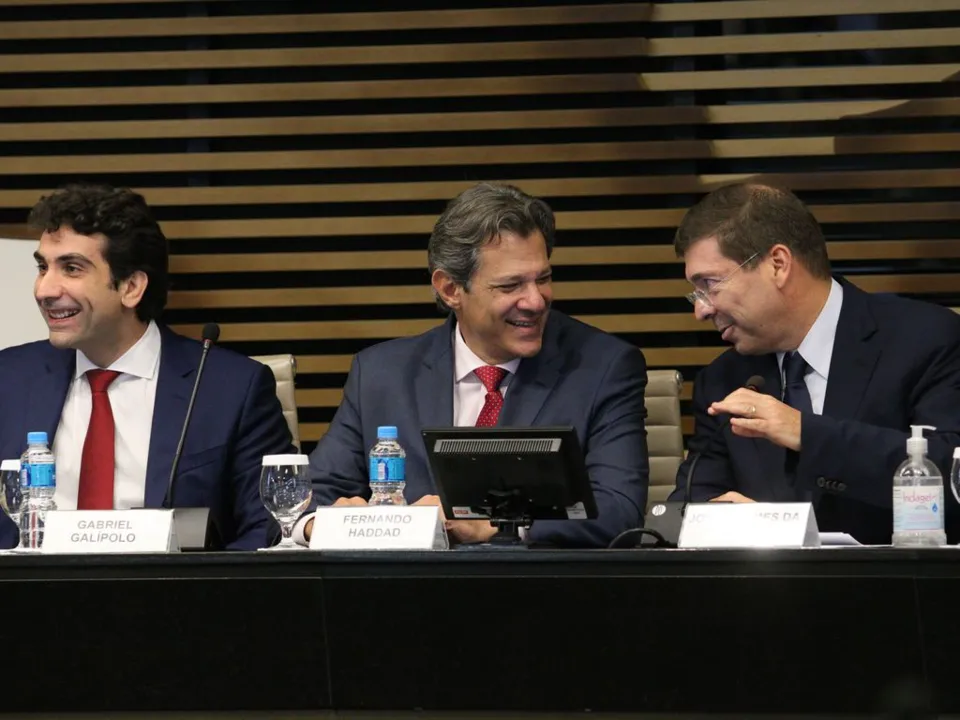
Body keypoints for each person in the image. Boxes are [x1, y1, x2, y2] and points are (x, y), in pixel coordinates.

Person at [302, 182, 649, 548]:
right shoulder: (380, 374)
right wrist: (324, 525)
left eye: (543, 279)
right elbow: (314, 497)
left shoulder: (604, 367)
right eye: (511, 285)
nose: (535, 301)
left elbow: (619, 510)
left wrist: (497, 524)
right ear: (450, 289)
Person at [0, 184, 295, 550]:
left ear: (131, 286)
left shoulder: (231, 388)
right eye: (43, 267)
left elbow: (266, 529)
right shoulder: (8, 379)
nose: (44, 289)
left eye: (71, 268)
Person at [669, 182, 960, 544]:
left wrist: (806, 432)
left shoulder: (924, 339)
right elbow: (692, 503)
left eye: (710, 284)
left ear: (778, 264)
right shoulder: (724, 379)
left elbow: (951, 473)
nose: (701, 310)